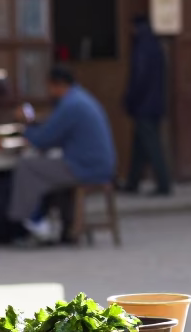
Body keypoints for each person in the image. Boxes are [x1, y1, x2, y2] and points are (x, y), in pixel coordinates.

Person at [9, 66, 117, 242]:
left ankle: (28, 221)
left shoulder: (71, 104)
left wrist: (25, 127)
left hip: (85, 167)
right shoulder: (79, 99)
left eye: (49, 87)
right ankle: (50, 220)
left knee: (27, 165)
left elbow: (45, 138)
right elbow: (54, 129)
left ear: (57, 85)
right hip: (96, 164)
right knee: (45, 167)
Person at [122, 15, 172, 196]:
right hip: (154, 105)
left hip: (144, 106)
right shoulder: (156, 46)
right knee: (139, 147)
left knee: (152, 146)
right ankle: (132, 182)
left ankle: (164, 184)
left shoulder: (142, 47)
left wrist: (130, 99)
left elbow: (139, 79)